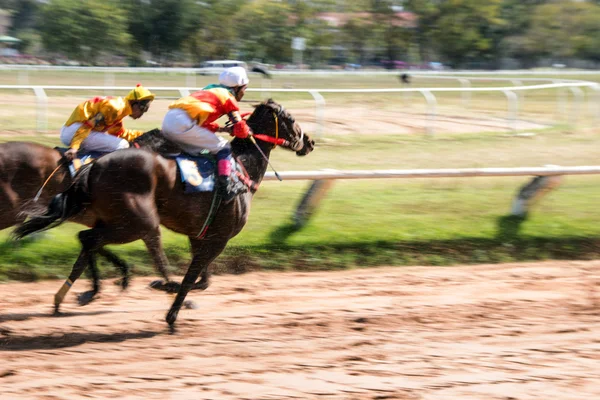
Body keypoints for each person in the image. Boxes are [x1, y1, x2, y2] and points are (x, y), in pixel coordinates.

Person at [161, 66, 253, 202]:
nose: (244, 93)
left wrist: (224, 129)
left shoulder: (210, 90)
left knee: (200, 150)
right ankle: (226, 187)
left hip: (169, 121)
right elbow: (241, 130)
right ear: (237, 87)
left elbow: (203, 125)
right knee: (224, 147)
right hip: (183, 124)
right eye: (244, 89)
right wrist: (247, 131)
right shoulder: (228, 97)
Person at [60, 84, 155, 160]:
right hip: (75, 132)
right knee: (123, 145)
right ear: (134, 102)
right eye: (143, 109)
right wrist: (74, 147)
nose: (142, 114)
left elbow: (120, 133)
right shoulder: (115, 108)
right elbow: (87, 126)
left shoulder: (119, 110)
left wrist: (146, 135)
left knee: (120, 142)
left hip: (75, 131)